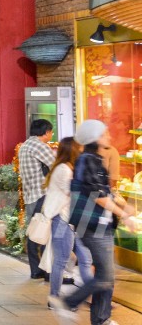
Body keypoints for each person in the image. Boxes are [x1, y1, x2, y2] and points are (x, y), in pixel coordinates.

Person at [54, 120, 141, 325]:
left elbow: (106, 191)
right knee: (105, 276)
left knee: (106, 276)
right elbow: (97, 195)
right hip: (93, 225)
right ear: (95, 138)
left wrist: (125, 207)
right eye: (105, 134)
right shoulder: (88, 160)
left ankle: (102, 319)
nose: (109, 137)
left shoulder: (92, 159)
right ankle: (69, 302)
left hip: (98, 224)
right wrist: (125, 214)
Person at [42, 137, 93, 308]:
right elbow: (73, 192)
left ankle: (90, 296)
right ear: (72, 150)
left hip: (71, 222)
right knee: (61, 260)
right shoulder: (64, 169)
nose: (81, 151)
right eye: (79, 148)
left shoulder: (67, 168)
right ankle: (54, 298)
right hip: (62, 221)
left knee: (85, 258)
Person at [18, 118, 57, 280]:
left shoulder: (25, 145)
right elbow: (56, 165)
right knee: (47, 232)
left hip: (29, 195)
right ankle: (48, 271)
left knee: (34, 232)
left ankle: (35, 269)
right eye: (51, 132)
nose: (51, 135)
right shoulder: (40, 146)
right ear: (46, 132)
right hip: (42, 195)